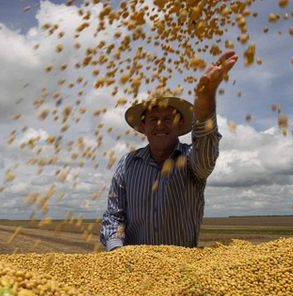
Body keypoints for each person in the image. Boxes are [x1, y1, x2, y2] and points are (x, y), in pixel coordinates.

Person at [100, 50, 238, 251]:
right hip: (133, 269)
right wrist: (117, 251)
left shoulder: (191, 159)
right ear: (143, 125)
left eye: (167, 119)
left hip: (182, 268)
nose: (160, 125)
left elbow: (206, 154)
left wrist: (205, 99)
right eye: (153, 120)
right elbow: (114, 215)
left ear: (180, 123)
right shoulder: (127, 163)